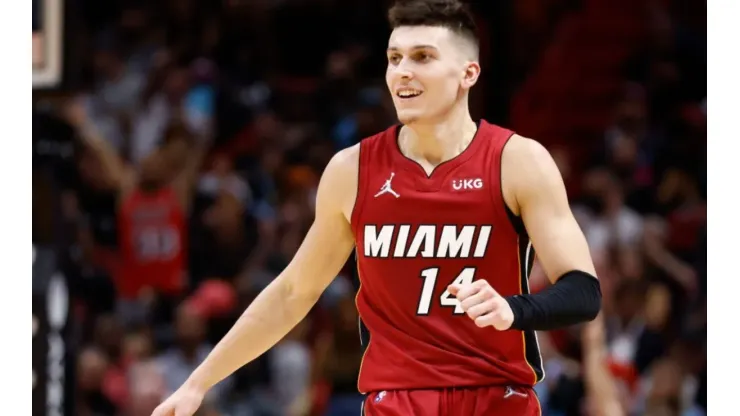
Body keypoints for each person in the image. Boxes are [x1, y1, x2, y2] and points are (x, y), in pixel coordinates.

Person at [152, 1, 602, 415]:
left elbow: (583, 291)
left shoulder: (517, 161)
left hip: (496, 396)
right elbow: (294, 292)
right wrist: (199, 382)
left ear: (468, 73)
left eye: (422, 57)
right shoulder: (352, 170)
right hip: (397, 402)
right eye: (394, 58)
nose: (402, 72)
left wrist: (513, 309)